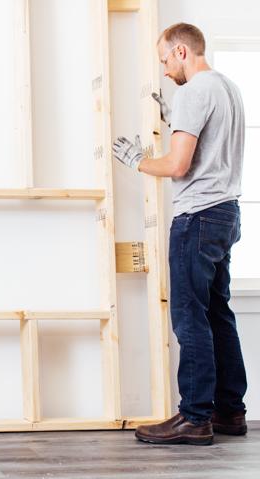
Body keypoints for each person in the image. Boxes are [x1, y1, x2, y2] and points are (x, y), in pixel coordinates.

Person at [112, 22, 247, 446]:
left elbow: (177, 166)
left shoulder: (193, 92)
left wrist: (138, 160)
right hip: (226, 214)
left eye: (166, 61)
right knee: (217, 313)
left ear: (182, 51)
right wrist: (175, 121)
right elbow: (208, 147)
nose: (166, 72)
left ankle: (194, 417)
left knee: (189, 317)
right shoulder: (229, 89)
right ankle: (230, 411)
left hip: (197, 218)